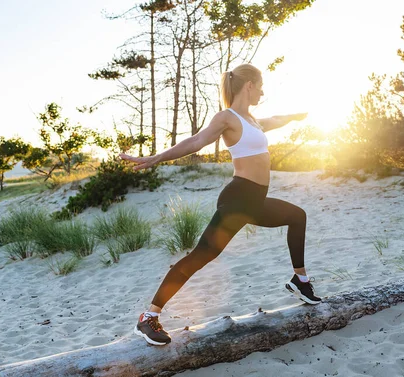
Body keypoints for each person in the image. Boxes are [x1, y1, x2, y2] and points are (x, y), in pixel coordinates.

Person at [121, 63, 321, 346]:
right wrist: (155, 158)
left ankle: (300, 281)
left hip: (256, 201)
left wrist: (296, 116)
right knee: (201, 256)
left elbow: (275, 118)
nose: (262, 92)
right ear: (249, 85)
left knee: (297, 216)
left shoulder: (252, 120)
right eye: (260, 86)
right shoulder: (227, 118)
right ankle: (148, 317)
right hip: (238, 200)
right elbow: (196, 142)